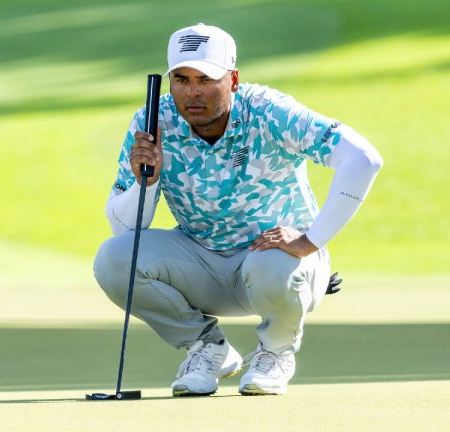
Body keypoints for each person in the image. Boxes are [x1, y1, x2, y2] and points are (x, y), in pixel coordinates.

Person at [93, 23, 383, 396]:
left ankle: (275, 353)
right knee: (114, 259)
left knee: (272, 261)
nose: (192, 92)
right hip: (201, 263)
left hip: (277, 264)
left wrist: (311, 241)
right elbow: (124, 231)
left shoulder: (269, 111)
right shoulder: (153, 120)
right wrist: (144, 183)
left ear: (232, 79)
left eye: (205, 78)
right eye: (180, 79)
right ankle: (208, 350)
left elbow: (363, 159)